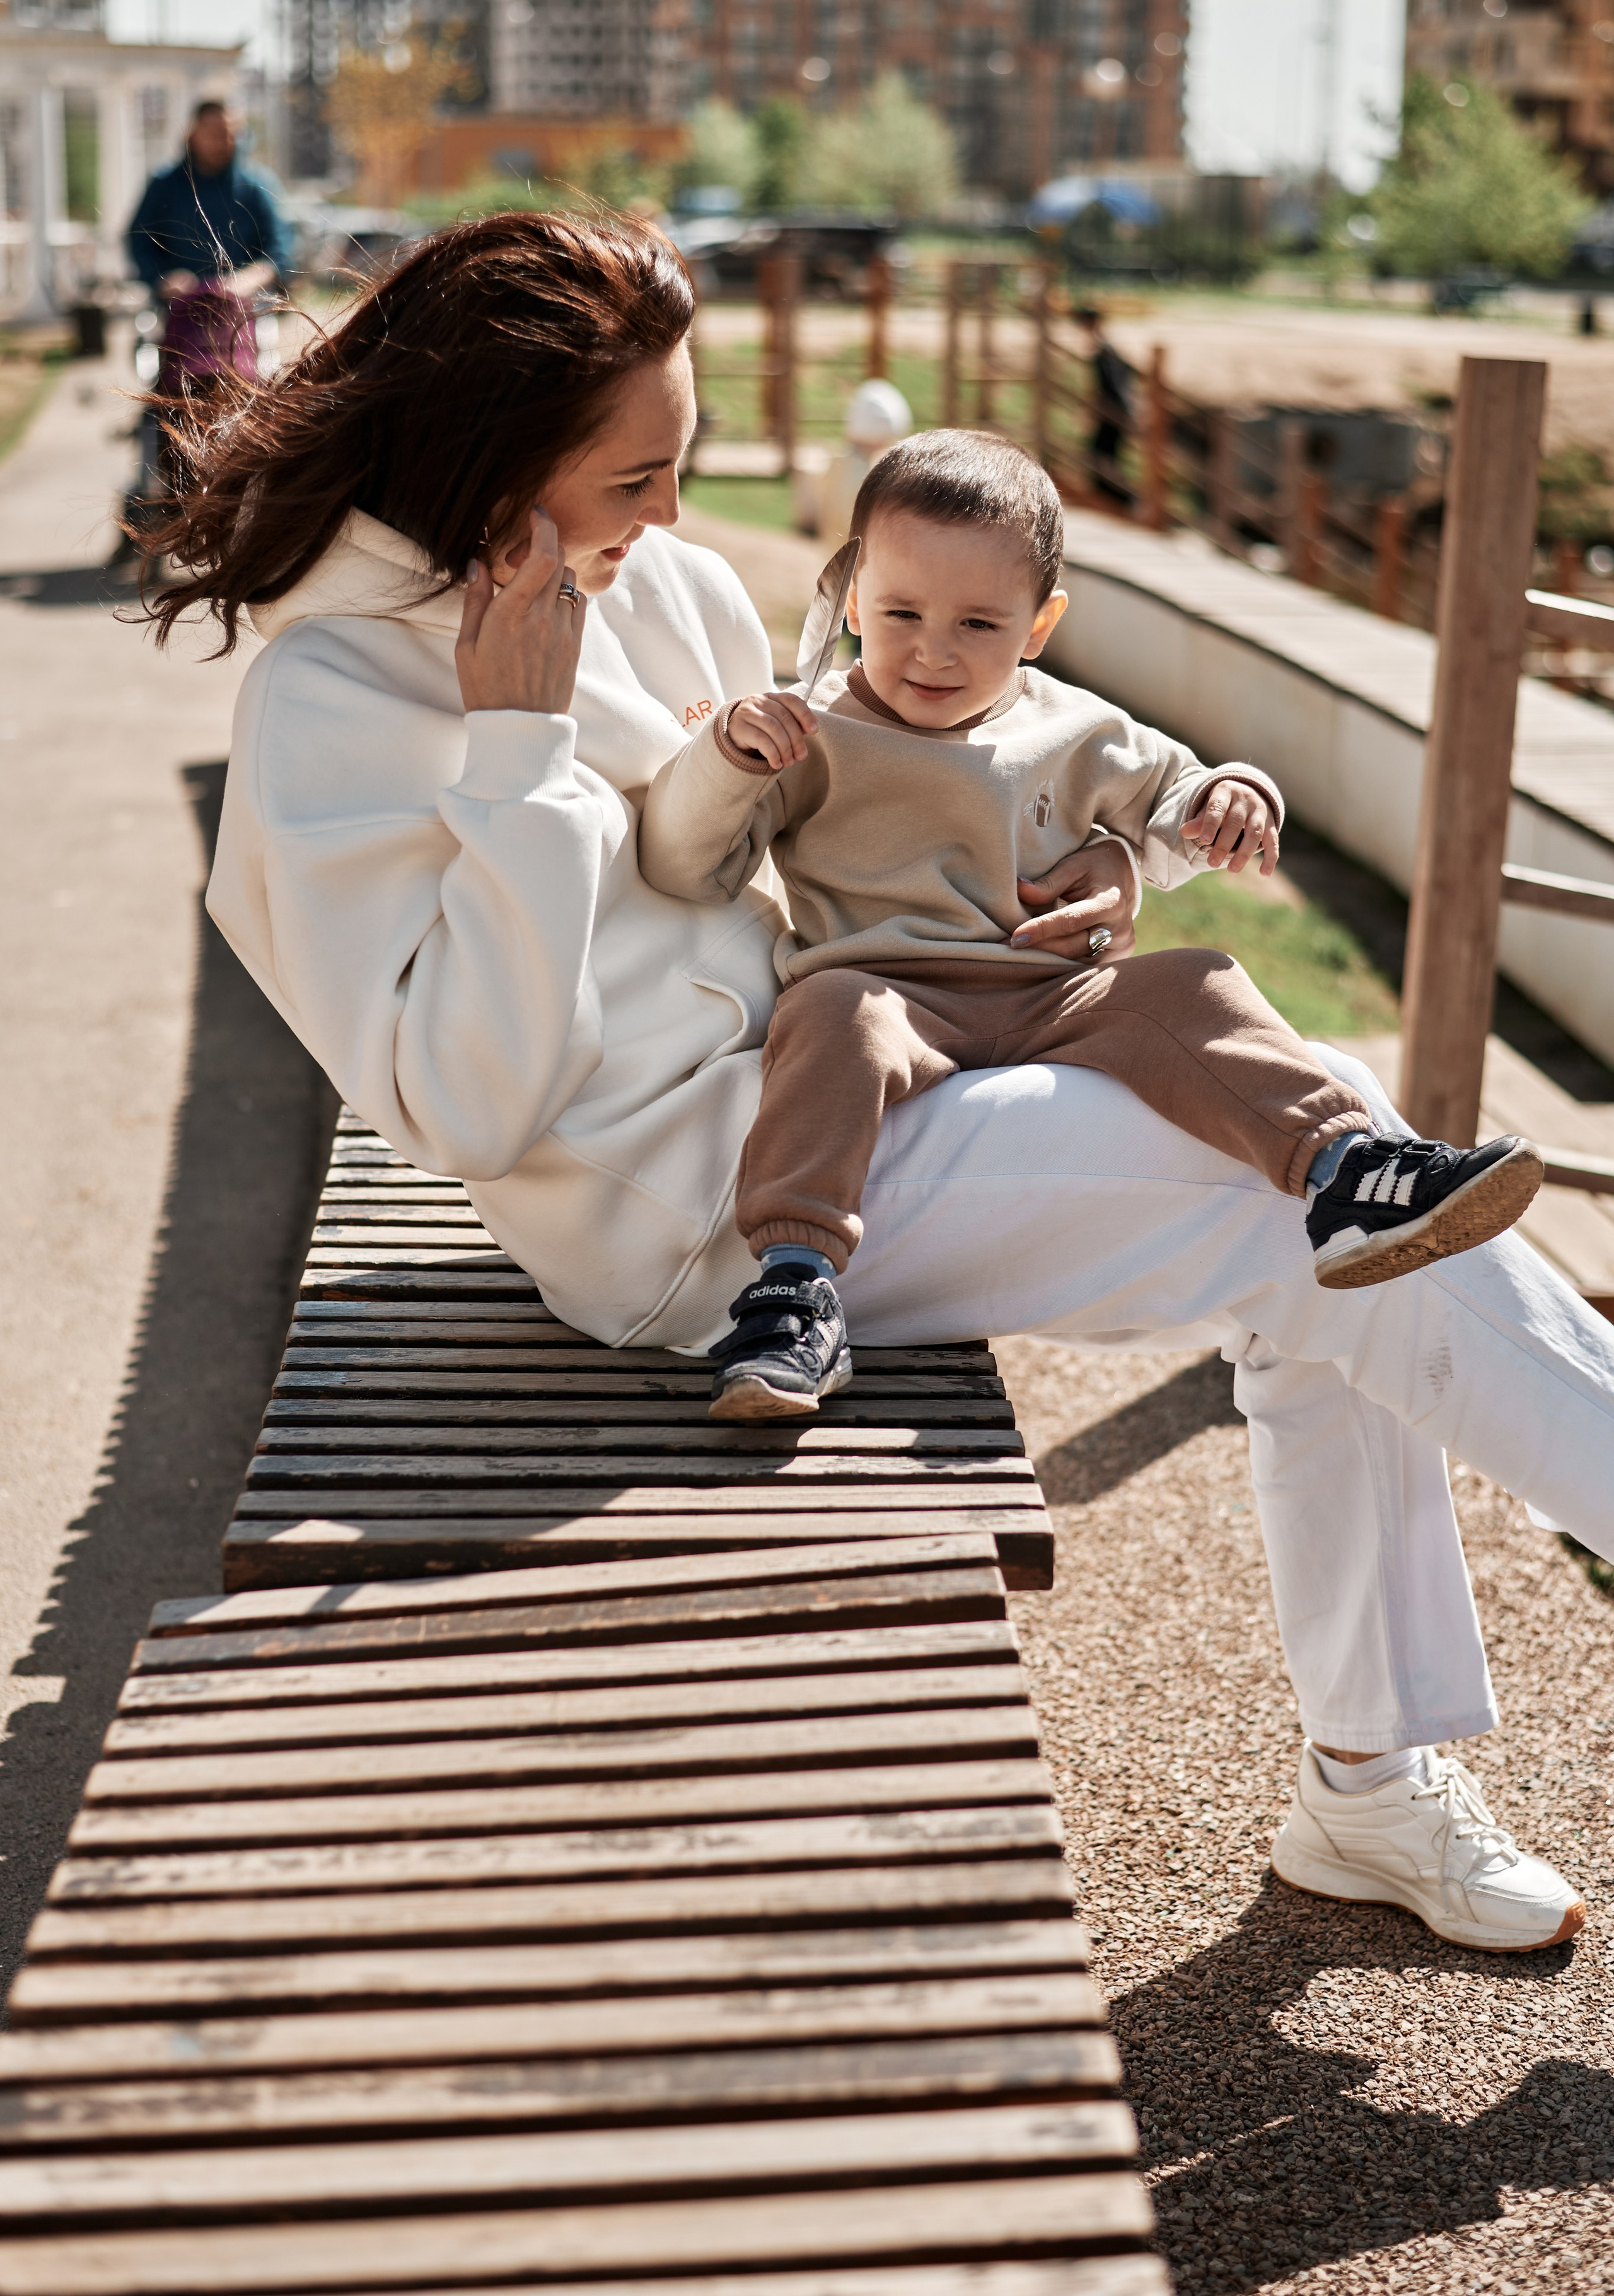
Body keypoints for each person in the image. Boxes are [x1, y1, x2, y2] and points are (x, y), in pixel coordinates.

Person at [153, 209, 1614, 1957]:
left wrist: (1073, 872)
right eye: (633, 477)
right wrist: (519, 748)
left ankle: (1367, 1783)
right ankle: (1373, 1780)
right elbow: (470, 1105)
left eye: (681, 464)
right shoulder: (327, 702)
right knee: (1295, 1188)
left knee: (1334, 1158)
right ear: (492, 459)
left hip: (868, 1064)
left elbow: (846, 818)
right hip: (695, 1221)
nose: (673, 517)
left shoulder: (662, 586)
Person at [638, 431, 1542, 1421]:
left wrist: (1233, 795)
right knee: (827, 1014)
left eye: (979, 622)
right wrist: (728, 757)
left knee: (1197, 980)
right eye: (901, 612)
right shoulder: (808, 730)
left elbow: (1175, 793)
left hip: (1052, 992)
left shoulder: (1072, 724)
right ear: (853, 597)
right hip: (891, 994)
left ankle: (1344, 1168)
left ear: (1039, 624)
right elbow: (685, 860)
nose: (934, 649)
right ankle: (793, 1285)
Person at [124, 100, 292, 518]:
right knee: (164, 396)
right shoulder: (164, 186)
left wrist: (249, 279)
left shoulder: (256, 187)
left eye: (232, 132)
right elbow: (138, 240)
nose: (225, 141)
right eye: (217, 132)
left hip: (240, 319)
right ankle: (160, 484)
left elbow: (279, 250)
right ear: (193, 134)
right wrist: (163, 279)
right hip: (178, 320)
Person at [1075, 302, 1134, 508]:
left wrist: (1097, 408)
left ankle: (1117, 496)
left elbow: (1107, 385)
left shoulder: (1102, 350)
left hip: (1112, 409)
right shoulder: (1106, 347)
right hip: (1116, 407)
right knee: (1104, 453)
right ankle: (1113, 495)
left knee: (1102, 453)